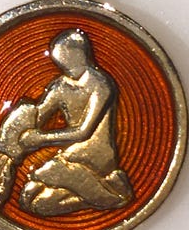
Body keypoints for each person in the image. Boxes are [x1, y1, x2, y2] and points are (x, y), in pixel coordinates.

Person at [17, 29, 133, 216]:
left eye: (66, 60)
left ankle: (112, 197)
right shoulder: (61, 85)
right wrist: (18, 123)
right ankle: (106, 191)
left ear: (79, 55)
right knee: (29, 198)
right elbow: (38, 115)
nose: (63, 66)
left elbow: (83, 132)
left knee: (38, 203)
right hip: (70, 154)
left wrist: (41, 138)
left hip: (95, 155)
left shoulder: (100, 85)